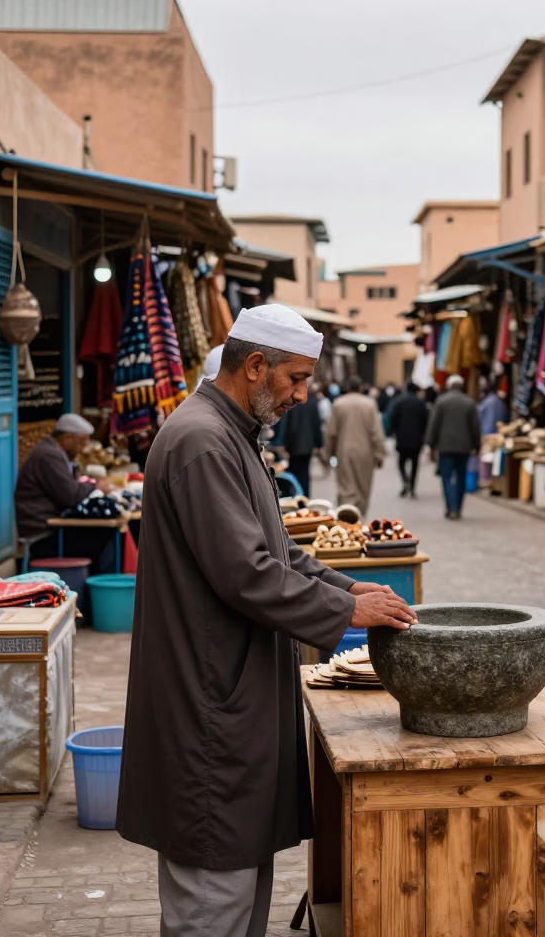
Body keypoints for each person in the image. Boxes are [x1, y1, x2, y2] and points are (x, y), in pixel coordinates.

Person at [116, 304, 416, 937]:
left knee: (237, 889)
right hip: (207, 710)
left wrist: (345, 584)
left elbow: (277, 551)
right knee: (212, 902)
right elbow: (247, 572)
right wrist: (346, 609)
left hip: (227, 698)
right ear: (255, 367)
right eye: (296, 380)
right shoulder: (202, 440)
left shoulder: (230, 434)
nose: (305, 395)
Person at [14, 413, 115, 570]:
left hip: (52, 526)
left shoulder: (55, 453)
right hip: (42, 532)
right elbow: (71, 495)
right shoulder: (49, 455)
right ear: (67, 439)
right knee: (105, 537)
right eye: (80, 443)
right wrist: (96, 487)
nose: (82, 449)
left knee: (104, 534)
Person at [324, 376, 385, 516]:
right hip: (365, 452)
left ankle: (346, 516)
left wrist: (328, 453)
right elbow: (376, 432)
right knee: (363, 486)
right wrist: (379, 454)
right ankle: (360, 515)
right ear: (361, 387)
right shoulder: (369, 404)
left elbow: (331, 432)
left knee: (346, 486)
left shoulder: (339, 404)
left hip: (344, 450)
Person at [426, 375, 481, 520]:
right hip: (464, 447)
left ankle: (451, 508)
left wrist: (430, 444)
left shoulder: (441, 402)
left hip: (445, 446)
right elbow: (475, 427)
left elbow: (434, 425)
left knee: (447, 478)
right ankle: (458, 507)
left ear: (449, 386)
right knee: (461, 477)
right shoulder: (469, 403)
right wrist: (477, 445)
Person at [280, 383, 323, 497]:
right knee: (305, 474)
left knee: (294, 473)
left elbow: (288, 425)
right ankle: (305, 498)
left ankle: (295, 497)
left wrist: (285, 444)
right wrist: (318, 444)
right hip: (307, 445)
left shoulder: (291, 402)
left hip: (294, 445)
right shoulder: (313, 402)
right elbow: (316, 424)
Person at [388, 382, 430, 497]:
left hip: (402, 439)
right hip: (417, 439)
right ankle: (412, 486)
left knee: (401, 462)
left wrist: (393, 433)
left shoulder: (400, 402)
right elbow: (426, 421)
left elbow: (393, 419)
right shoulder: (421, 403)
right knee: (415, 464)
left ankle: (405, 479)